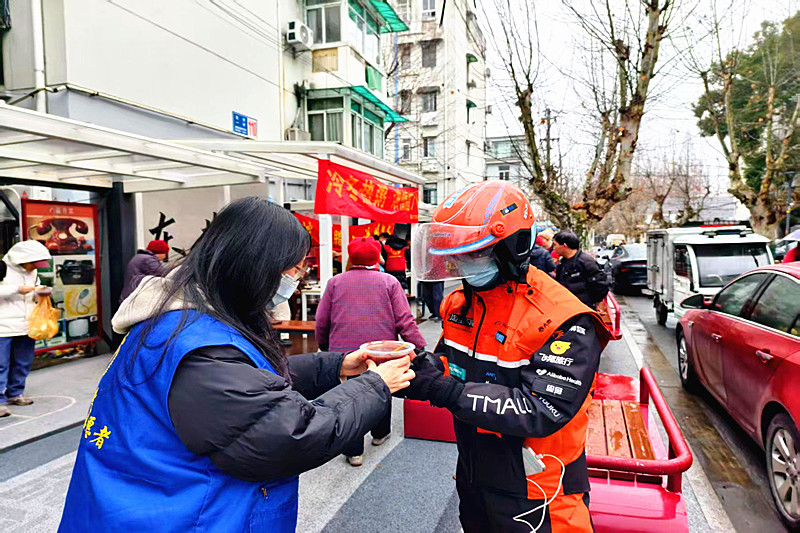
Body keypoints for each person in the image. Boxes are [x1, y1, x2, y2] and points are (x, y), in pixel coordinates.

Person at [58, 198, 415, 532]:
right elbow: (288, 436)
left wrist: (336, 366)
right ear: (253, 265)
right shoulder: (198, 350)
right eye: (291, 269)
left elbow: (249, 386)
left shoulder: (184, 318)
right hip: (179, 517)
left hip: (142, 503)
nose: (294, 280)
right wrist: (374, 385)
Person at [404, 180, 611, 532]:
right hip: (474, 472)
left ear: (512, 247)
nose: (461, 264)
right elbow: (451, 365)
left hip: (540, 490)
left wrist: (443, 391)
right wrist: (417, 370)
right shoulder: (460, 303)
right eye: (455, 254)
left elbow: (542, 409)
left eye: (472, 253)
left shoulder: (564, 318)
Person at [316, 237, 425, 466]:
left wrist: (324, 345)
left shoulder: (335, 282)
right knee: (381, 387)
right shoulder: (389, 282)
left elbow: (322, 319)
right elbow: (405, 320)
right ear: (378, 257)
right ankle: (379, 433)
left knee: (349, 398)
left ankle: (354, 451)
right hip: (382, 352)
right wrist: (419, 346)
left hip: (344, 353)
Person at [0, 240, 52, 418]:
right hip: (3, 326)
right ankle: (0, 400)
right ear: (22, 259)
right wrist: (16, 289)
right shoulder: (2, 268)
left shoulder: (34, 272)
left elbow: (32, 292)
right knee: (1, 364)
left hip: (27, 325)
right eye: (33, 263)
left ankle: (15, 393)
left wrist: (40, 293)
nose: (34, 267)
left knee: (23, 361)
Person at [553, 230, 609, 309]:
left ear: (564, 245)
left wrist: (595, 303)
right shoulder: (561, 264)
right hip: (567, 308)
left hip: (583, 310)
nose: (553, 248)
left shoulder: (586, 262)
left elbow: (600, 284)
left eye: (555, 244)